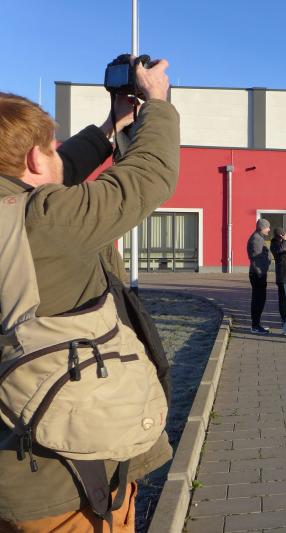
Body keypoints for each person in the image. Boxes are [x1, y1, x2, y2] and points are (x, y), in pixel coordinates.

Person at [0, 60, 175, 530]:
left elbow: (46, 175)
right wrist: (157, 104)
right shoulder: (42, 219)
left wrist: (108, 128)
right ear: (36, 159)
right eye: (50, 149)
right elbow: (147, 177)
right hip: (63, 483)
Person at [247, 218, 272, 334]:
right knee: (258, 300)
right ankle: (255, 325)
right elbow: (256, 259)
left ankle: (257, 324)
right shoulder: (257, 239)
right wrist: (261, 272)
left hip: (258, 273)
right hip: (258, 274)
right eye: (267, 227)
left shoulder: (258, 237)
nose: (269, 229)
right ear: (262, 227)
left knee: (259, 299)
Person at [270, 227, 286, 322]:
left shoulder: (285, 242)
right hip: (281, 275)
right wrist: (285, 241)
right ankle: (284, 318)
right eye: (283, 235)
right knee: (283, 298)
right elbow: (280, 251)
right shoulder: (274, 244)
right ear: (280, 235)